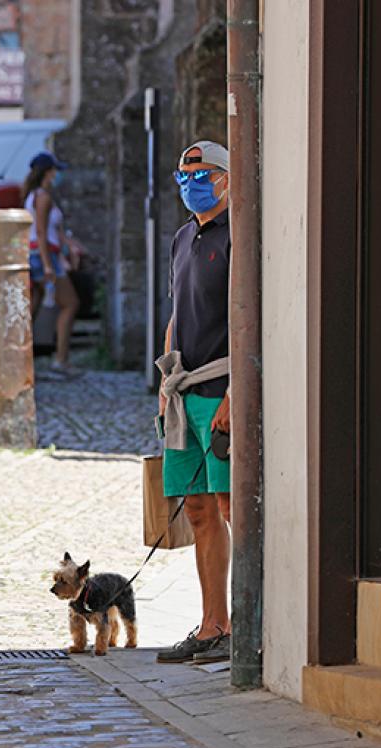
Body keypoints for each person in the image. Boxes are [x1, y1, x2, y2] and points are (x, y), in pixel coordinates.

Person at [155, 140, 233, 664]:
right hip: (183, 394)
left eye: (202, 174)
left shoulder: (239, 237)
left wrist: (236, 395)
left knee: (234, 507)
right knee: (200, 512)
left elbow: (251, 318)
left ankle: (248, 622)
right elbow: (176, 315)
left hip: (222, 390)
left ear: (226, 179)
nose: (192, 184)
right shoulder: (184, 237)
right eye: (184, 176)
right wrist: (164, 388)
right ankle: (213, 624)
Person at [22, 151, 81, 376]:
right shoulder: (43, 198)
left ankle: (20, 360)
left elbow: (55, 231)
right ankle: (61, 359)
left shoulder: (35, 195)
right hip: (44, 256)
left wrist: (71, 247)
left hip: (41, 254)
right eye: (55, 170)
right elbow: (40, 231)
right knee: (70, 304)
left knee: (31, 310)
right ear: (48, 172)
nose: (57, 174)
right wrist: (48, 265)